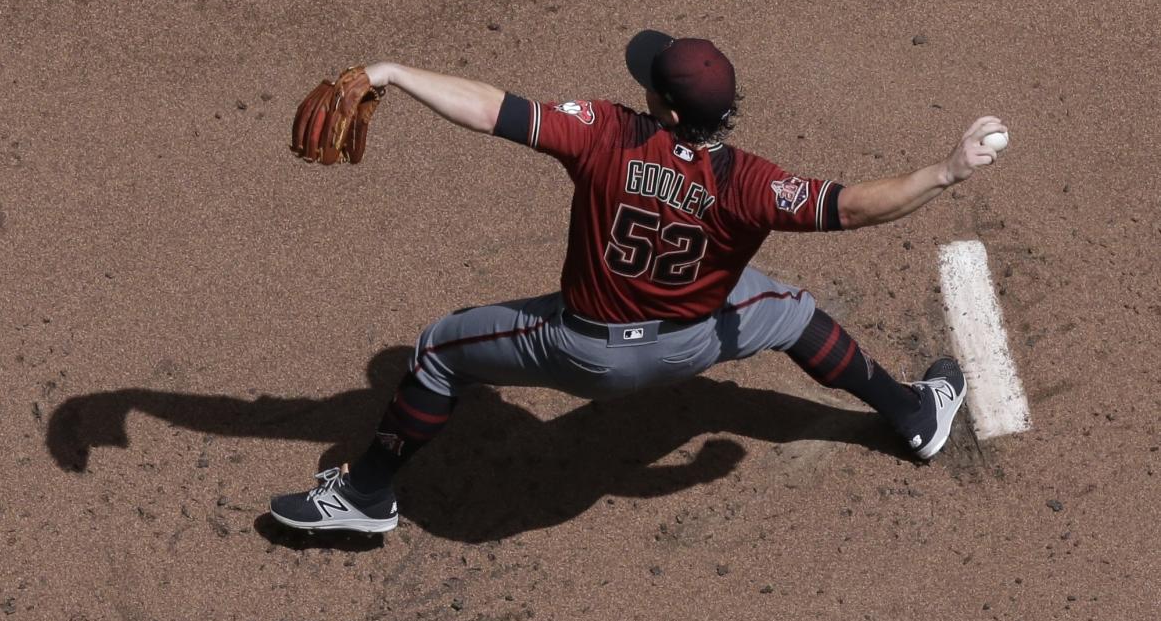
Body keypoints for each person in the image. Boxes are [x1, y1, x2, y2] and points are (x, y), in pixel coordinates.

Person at [269, 31, 1006, 535]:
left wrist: (392, 72)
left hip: (579, 349)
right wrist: (945, 171)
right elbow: (852, 205)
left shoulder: (605, 131)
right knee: (792, 311)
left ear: (669, 109)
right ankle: (914, 413)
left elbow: (492, 108)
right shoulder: (752, 183)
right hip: (693, 342)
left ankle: (365, 495)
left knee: (437, 350)